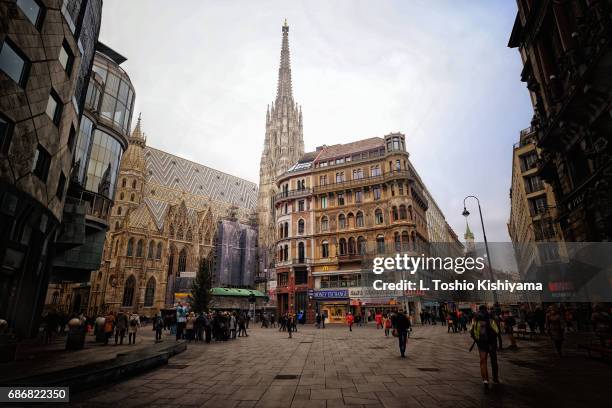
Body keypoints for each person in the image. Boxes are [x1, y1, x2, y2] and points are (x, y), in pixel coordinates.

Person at [470, 305, 500, 389]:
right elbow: (497, 330)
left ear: (479, 310)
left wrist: (477, 339)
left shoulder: (475, 318)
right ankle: (495, 378)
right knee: (494, 360)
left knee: (483, 361)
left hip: (481, 343)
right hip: (491, 342)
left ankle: (485, 380)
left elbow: (472, 330)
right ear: (486, 309)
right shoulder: (490, 317)